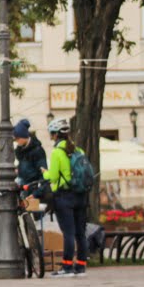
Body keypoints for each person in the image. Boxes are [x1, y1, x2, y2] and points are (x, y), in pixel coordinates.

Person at [42, 117, 88, 277]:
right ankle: (81, 266)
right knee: (80, 233)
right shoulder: (78, 150)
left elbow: (53, 177)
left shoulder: (57, 152)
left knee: (68, 232)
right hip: (81, 195)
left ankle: (67, 267)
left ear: (55, 134)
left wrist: (45, 173)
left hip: (64, 196)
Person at [13, 119, 48, 194]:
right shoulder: (20, 150)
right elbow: (24, 168)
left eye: (17, 138)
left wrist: (37, 193)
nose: (16, 141)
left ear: (23, 136)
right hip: (24, 188)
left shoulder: (37, 150)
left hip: (34, 189)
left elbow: (43, 173)